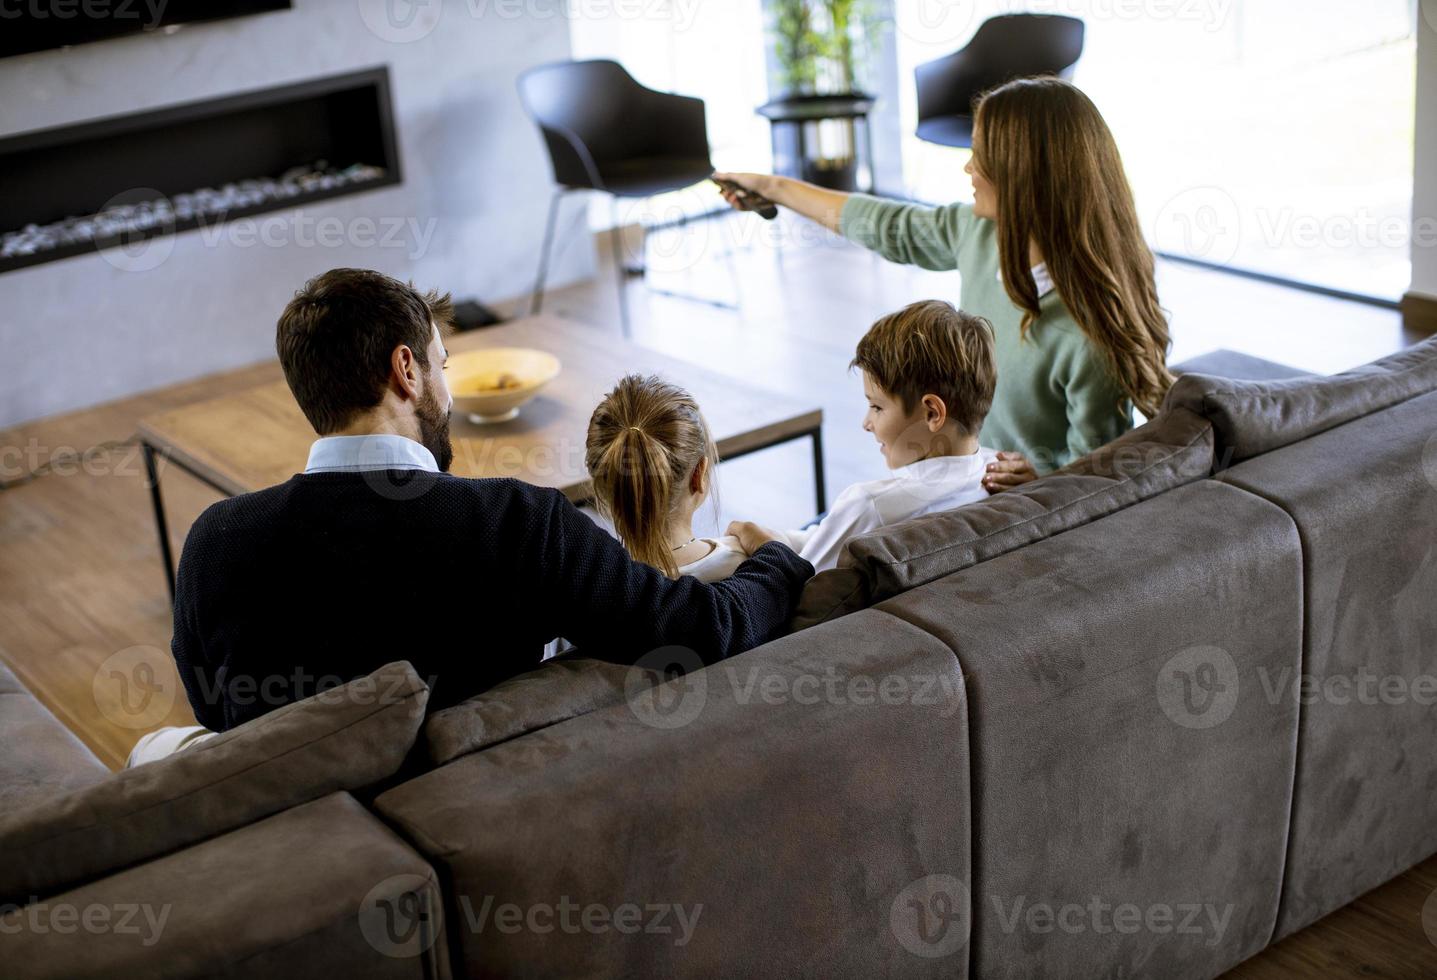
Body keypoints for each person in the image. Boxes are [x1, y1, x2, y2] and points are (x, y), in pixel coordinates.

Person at [139, 268, 812, 759]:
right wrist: (781, 559)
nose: (447, 388)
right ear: (406, 371)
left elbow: (214, 711)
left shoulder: (212, 543)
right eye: (442, 363)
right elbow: (703, 630)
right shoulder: (516, 525)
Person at [714, 76, 1173, 485]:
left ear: (1022, 176)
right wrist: (773, 188)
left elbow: (1101, 476)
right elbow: (884, 224)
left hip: (1013, 514)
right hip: (962, 479)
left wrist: (1044, 472)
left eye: (980, 155)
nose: (968, 168)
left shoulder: (1087, 338)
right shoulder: (979, 233)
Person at [777, 299, 998, 571]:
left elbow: (794, 580)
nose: (866, 423)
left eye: (876, 407)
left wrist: (762, 547)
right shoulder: (998, 477)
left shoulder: (869, 507)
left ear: (932, 413)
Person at [584, 374, 748, 584]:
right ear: (699, 474)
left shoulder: (592, 585)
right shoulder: (749, 565)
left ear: (602, 483)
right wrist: (770, 545)